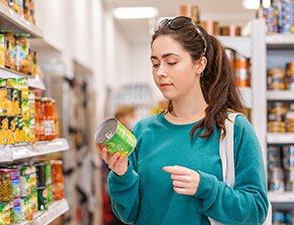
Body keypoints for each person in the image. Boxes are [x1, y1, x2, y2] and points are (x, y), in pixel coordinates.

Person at [96, 16, 268, 225]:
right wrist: (122, 175)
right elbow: (129, 214)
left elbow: (256, 211)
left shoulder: (234, 129)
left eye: (171, 62)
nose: (160, 72)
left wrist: (206, 187)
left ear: (200, 64)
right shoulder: (143, 130)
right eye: (155, 64)